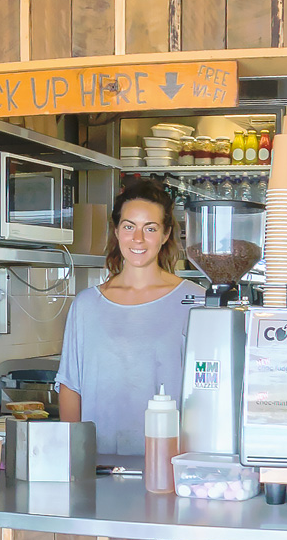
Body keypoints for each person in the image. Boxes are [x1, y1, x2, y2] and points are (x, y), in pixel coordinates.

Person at [57, 180, 204, 456]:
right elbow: (69, 387)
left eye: (150, 228)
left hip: (170, 464)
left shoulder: (195, 301)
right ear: (116, 231)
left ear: (165, 234)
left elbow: (207, 394)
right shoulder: (87, 304)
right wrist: (75, 457)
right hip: (98, 464)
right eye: (129, 226)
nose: (138, 239)